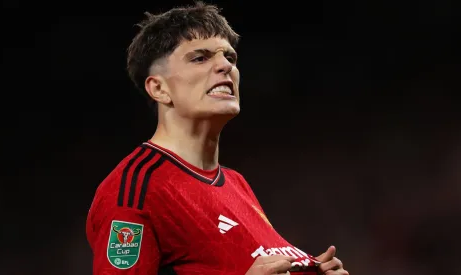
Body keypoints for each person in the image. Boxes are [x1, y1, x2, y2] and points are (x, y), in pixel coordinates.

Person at [86, 2, 349, 275]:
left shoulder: (236, 183)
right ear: (159, 88)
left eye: (230, 58)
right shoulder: (134, 191)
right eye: (200, 58)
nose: (225, 66)